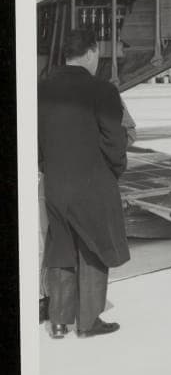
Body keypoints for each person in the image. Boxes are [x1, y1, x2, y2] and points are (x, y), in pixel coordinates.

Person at [38, 29, 130, 339]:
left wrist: (49, 168)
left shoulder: (41, 89)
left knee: (60, 247)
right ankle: (89, 322)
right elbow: (114, 140)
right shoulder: (102, 90)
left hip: (55, 184)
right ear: (91, 53)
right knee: (95, 246)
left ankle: (60, 321)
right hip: (91, 182)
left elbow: (36, 142)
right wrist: (113, 171)